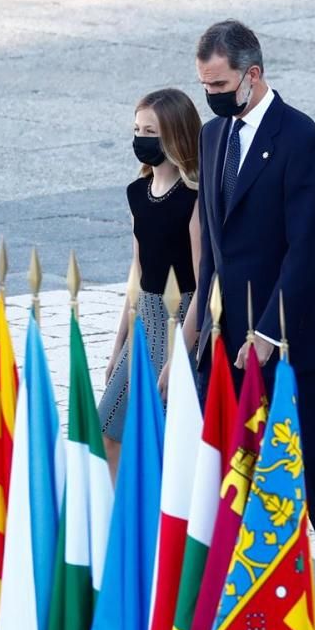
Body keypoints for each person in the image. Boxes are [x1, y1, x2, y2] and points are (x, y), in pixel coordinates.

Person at [190, 20, 315, 630]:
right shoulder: (212, 137)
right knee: (237, 466)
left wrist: (267, 330)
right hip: (227, 337)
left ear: (252, 75)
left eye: (220, 82)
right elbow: (213, 244)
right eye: (204, 82)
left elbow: (306, 247)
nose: (211, 93)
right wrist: (201, 321)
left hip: (293, 337)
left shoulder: (299, 137)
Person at [99, 88, 202, 480]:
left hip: (183, 321)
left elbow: (204, 275)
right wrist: (118, 344)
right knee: (108, 428)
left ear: (175, 137)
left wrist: (183, 353)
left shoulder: (193, 199)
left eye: (151, 131)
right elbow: (138, 270)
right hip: (145, 322)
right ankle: (118, 525)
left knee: (165, 441)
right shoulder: (137, 193)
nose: (141, 139)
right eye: (137, 129)